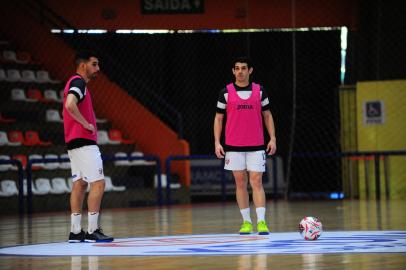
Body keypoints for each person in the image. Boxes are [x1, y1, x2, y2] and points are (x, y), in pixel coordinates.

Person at [214, 57, 276, 235]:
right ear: (233, 71)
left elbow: (267, 115)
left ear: (250, 70)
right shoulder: (225, 92)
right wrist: (217, 142)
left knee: (256, 181)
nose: (240, 71)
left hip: (256, 144)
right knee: (240, 182)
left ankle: (262, 222)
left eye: (243, 68)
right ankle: (246, 222)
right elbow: (218, 119)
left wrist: (272, 138)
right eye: (237, 68)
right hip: (234, 146)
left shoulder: (259, 91)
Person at [63, 50, 113, 243]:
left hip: (73, 143)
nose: (97, 68)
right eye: (94, 64)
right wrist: (85, 123)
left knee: (80, 184)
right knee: (98, 183)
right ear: (83, 65)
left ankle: (75, 232)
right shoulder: (78, 82)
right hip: (84, 141)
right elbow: (70, 104)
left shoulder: (72, 82)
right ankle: (93, 231)